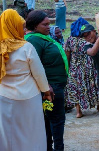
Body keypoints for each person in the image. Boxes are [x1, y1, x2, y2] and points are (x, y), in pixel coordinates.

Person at [0, 9, 52, 151]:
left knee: (7, 134)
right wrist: (46, 91)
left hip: (4, 97)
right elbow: (39, 74)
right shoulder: (26, 47)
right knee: (32, 133)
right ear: (14, 27)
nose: (23, 31)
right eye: (21, 27)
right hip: (29, 97)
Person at [25, 10, 68, 151]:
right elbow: (34, 65)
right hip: (50, 89)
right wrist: (46, 86)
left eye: (49, 23)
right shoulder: (33, 40)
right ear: (35, 26)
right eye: (45, 24)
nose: (49, 27)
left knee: (50, 121)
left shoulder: (42, 38)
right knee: (56, 121)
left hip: (54, 86)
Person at [65, 19, 98, 118]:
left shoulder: (70, 40)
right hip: (89, 66)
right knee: (93, 86)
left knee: (76, 89)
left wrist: (68, 67)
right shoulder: (87, 39)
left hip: (75, 68)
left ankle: (79, 112)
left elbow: (67, 55)